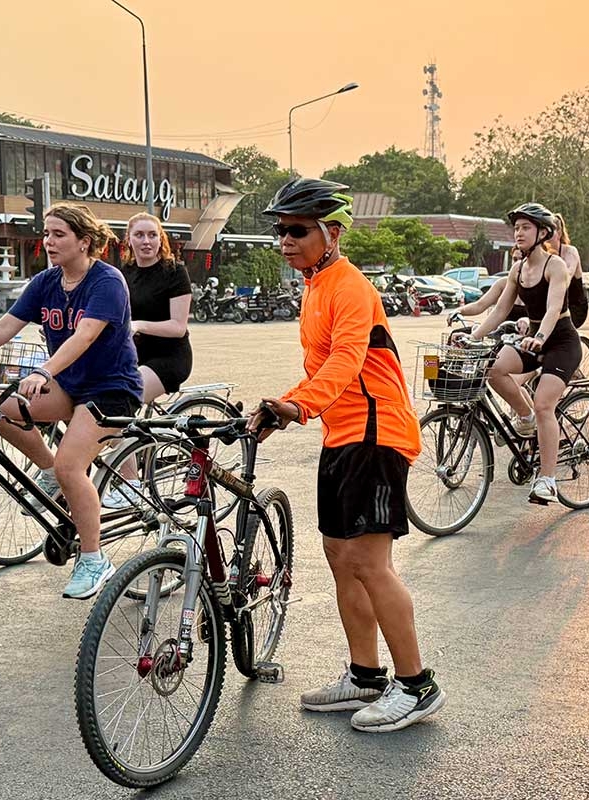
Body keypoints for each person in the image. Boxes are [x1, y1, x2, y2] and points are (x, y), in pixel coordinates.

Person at [245, 178, 443, 733]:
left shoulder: (349, 287)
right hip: (342, 435)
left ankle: (417, 685)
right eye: (279, 231)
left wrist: (297, 406)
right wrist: (284, 407)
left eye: (297, 230)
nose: (285, 240)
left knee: (369, 563)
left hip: (377, 437)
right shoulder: (316, 286)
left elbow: (347, 362)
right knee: (339, 556)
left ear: (331, 233)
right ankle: (365, 675)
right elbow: (321, 372)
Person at [0, 203, 143, 599]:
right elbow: (6, 325)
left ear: (84, 242)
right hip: (69, 385)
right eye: (46, 233)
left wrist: (44, 371)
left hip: (112, 390)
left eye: (59, 235)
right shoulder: (46, 281)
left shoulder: (107, 281)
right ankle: (47, 469)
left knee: (72, 467)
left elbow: (85, 335)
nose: (49, 241)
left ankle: (94, 558)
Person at [468, 202, 579, 504]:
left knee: (545, 404)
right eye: (516, 227)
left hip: (561, 343)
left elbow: (554, 307)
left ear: (542, 232)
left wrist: (540, 336)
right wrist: (473, 336)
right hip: (533, 340)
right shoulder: (518, 269)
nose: (519, 232)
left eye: (525, 227)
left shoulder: (554, 265)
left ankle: (547, 480)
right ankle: (524, 416)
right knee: (495, 368)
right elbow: (500, 309)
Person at [103, 213, 194, 508]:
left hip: (169, 357)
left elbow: (178, 326)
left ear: (161, 239)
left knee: (119, 402)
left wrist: (139, 325)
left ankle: (132, 485)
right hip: (132, 357)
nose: (146, 241)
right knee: (93, 401)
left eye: (152, 235)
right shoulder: (123, 272)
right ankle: (124, 463)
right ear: (128, 239)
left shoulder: (174, 272)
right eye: (140, 235)